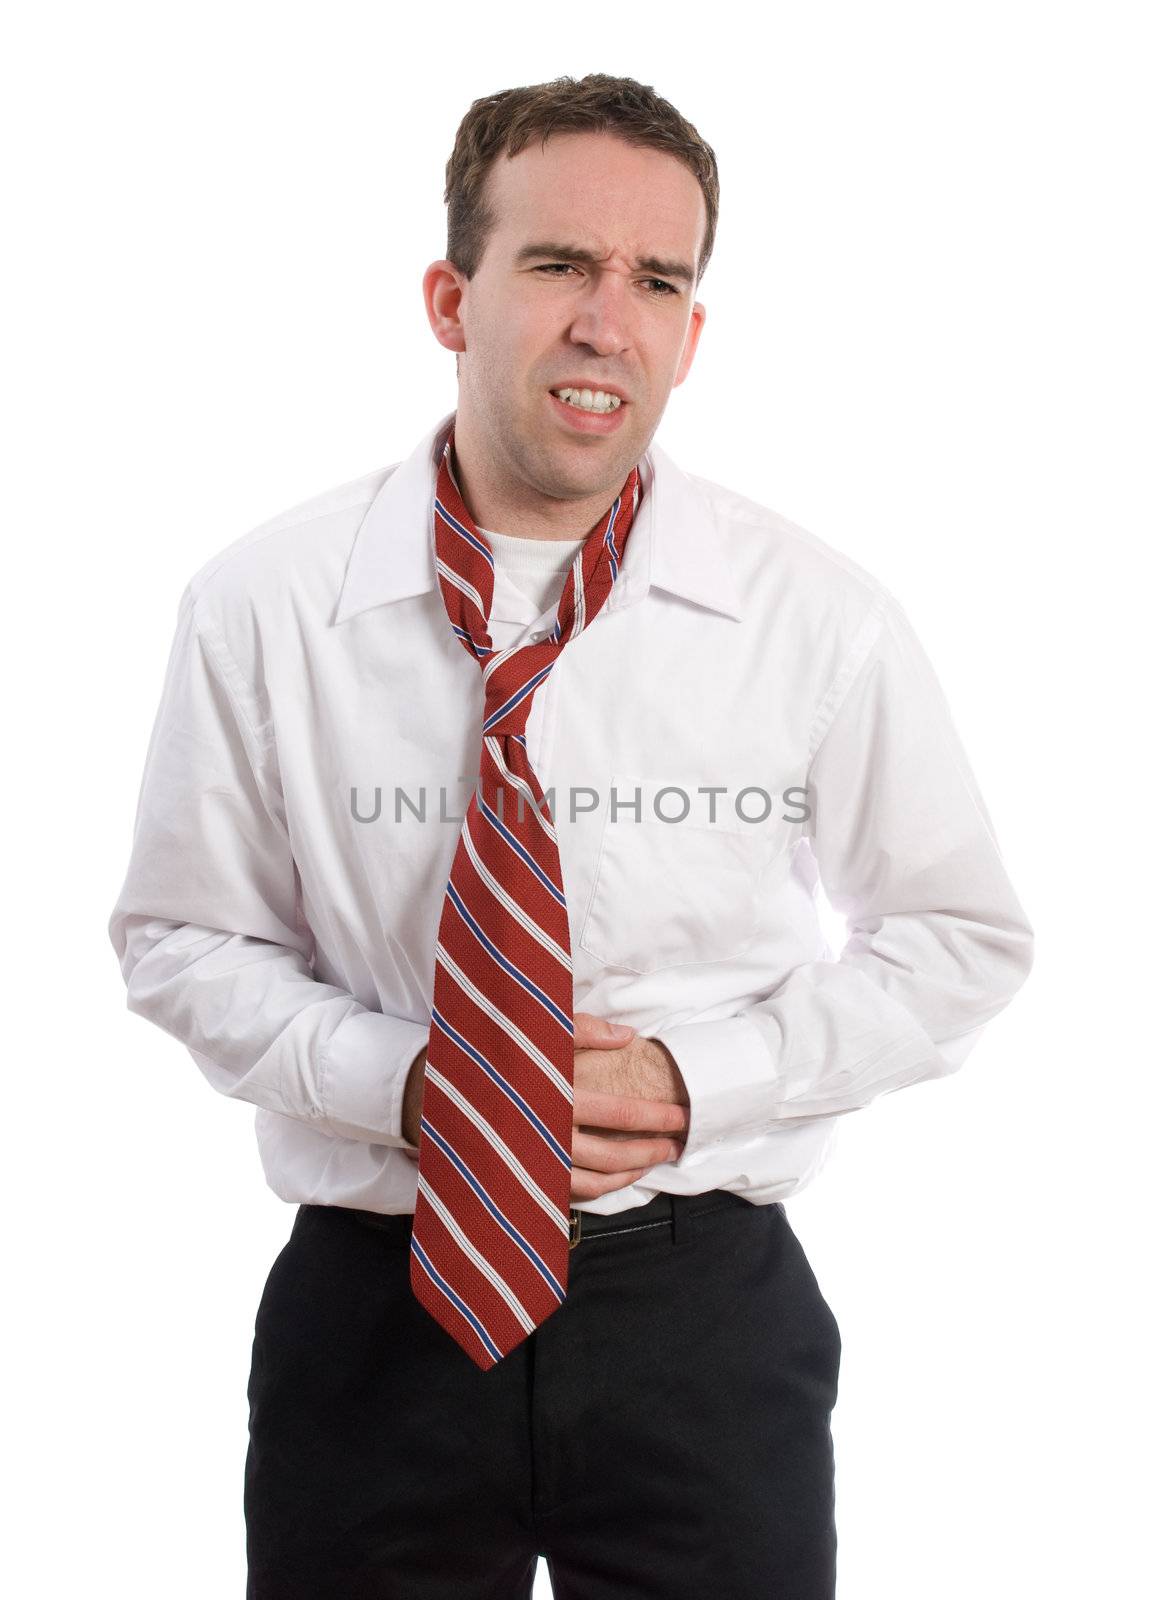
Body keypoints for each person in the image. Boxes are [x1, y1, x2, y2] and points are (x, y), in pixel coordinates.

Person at [107, 72, 1034, 1600]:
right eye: (556, 264)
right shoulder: (260, 605)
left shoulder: (814, 618)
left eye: (654, 279)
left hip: (700, 1321)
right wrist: (408, 1084)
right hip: (374, 1317)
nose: (607, 318)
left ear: (687, 330)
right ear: (448, 297)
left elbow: (957, 940)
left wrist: (693, 1088)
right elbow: (181, 935)